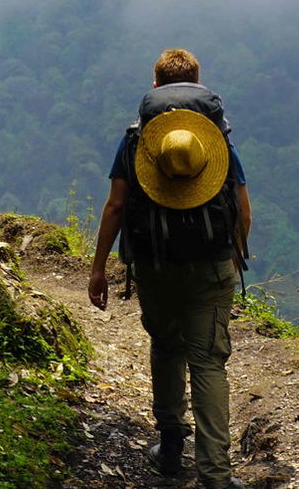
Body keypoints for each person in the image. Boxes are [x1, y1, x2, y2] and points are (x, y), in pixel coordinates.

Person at [87, 48, 252, 489]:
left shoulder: (137, 139)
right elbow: (242, 209)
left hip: (155, 264)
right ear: (198, 82)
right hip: (211, 266)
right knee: (208, 363)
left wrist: (99, 268)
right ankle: (216, 474)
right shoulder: (215, 138)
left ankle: (172, 449)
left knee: (165, 346)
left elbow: (116, 205)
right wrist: (234, 254)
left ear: (155, 86)